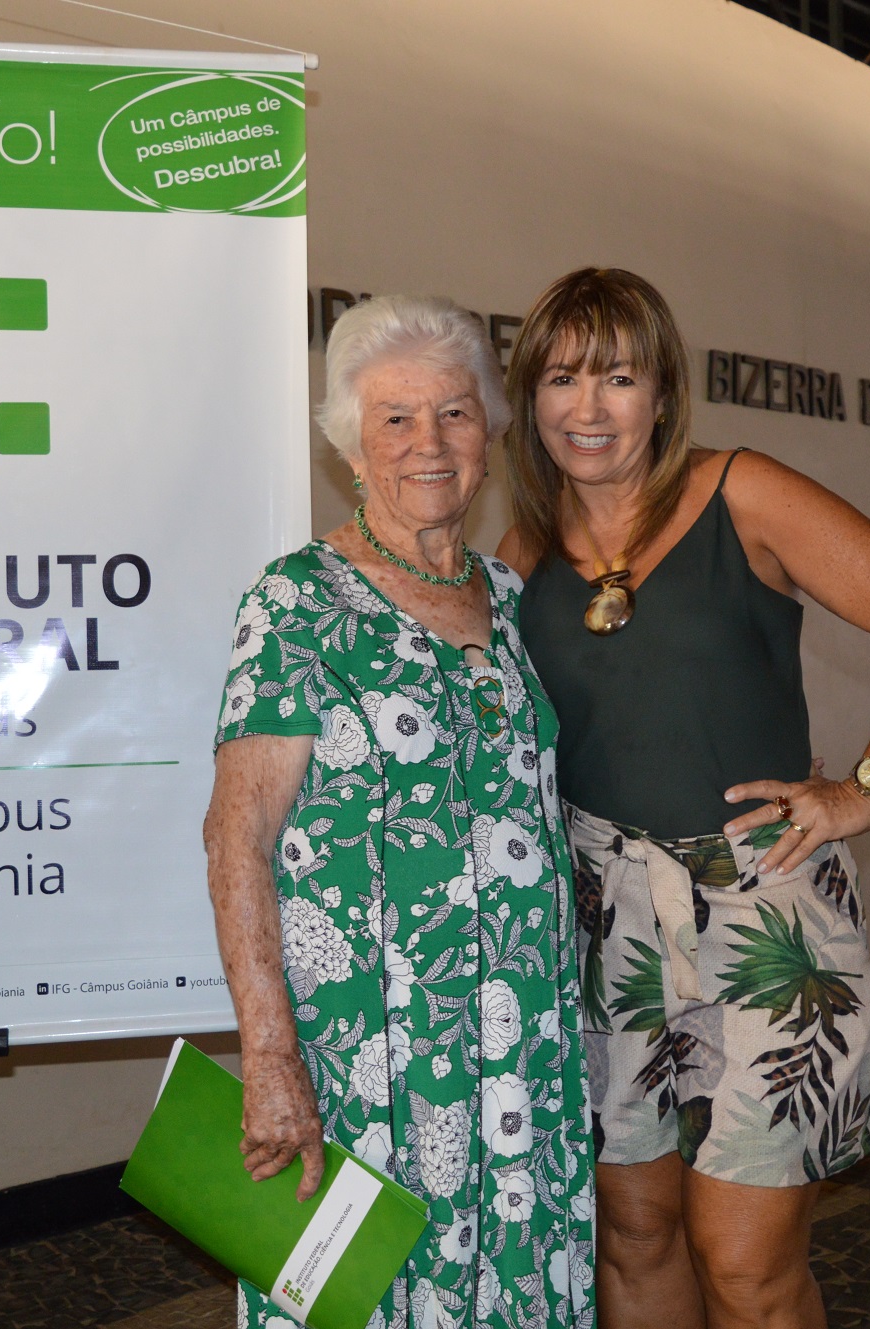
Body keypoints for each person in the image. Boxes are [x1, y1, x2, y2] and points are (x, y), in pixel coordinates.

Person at [495, 268, 870, 1329]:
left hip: (764, 917)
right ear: (527, 398)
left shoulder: (739, 491)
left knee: (744, 1263)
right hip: (600, 927)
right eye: (561, 379)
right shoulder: (523, 549)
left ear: (662, 394)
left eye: (616, 378)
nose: (587, 409)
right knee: (631, 1238)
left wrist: (866, 788)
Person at [204, 294, 596, 1329]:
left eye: (455, 414)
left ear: (490, 435)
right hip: (363, 1059)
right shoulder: (294, 602)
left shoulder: (512, 602)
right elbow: (234, 835)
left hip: (519, 1054)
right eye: (394, 419)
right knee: (357, 1298)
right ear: (349, 446)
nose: (429, 443)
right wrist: (269, 1057)